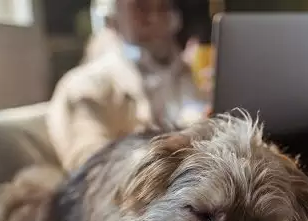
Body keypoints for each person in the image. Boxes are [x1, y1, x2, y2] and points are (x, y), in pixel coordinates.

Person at [48, 0, 208, 171]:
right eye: (141, 8)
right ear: (112, 19)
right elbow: (91, 170)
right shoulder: (84, 87)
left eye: (163, 8)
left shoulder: (185, 75)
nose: (155, 18)